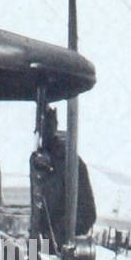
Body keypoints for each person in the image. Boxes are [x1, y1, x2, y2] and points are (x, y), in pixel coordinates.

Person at [30, 106, 96, 247]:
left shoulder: (71, 163)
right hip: (36, 244)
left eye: (46, 126)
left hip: (57, 249)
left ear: (54, 127)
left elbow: (87, 213)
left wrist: (53, 239)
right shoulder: (36, 160)